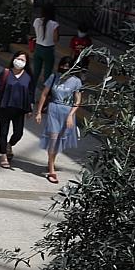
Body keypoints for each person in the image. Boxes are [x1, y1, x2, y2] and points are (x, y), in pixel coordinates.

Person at [34, 54, 82, 185]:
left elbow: (77, 101)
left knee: (60, 140)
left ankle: (51, 161)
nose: (65, 68)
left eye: (68, 66)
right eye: (63, 65)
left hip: (67, 113)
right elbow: (44, 94)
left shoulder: (76, 81)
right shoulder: (54, 77)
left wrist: (71, 115)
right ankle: (51, 169)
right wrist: (38, 111)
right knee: (53, 139)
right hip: (54, 110)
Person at [0, 52, 33, 169]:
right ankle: (3, 155)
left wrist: (30, 108)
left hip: (20, 109)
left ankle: (9, 145)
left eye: (22, 60)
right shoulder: (6, 72)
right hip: (5, 107)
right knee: (3, 132)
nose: (19, 61)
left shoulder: (28, 76)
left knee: (18, 133)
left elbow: (30, 93)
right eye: (17, 58)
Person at [30, 4, 59, 98]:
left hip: (38, 48)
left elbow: (37, 34)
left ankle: (30, 95)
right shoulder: (54, 24)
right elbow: (55, 39)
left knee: (36, 73)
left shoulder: (37, 21)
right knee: (47, 74)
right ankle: (44, 97)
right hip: (48, 49)